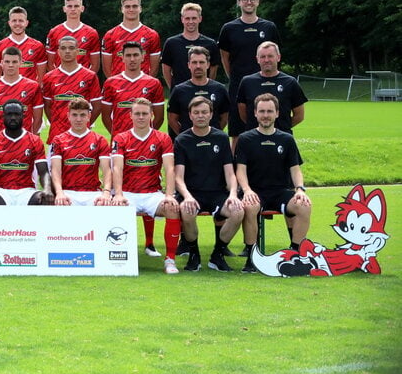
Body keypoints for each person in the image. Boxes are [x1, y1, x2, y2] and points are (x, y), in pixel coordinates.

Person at [235, 93, 311, 273]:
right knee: (250, 206)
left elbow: (295, 170)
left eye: (270, 111)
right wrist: (246, 190)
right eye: (262, 111)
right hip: (254, 191)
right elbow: (240, 170)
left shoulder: (286, 139)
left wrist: (300, 190)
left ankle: (295, 254)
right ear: (255, 113)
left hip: (280, 192)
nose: (265, 115)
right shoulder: (245, 139)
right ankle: (252, 257)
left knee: (304, 206)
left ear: (277, 113)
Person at [110, 98, 182, 274]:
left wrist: (169, 195)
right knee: (114, 208)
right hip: (128, 192)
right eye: (137, 113)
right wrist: (118, 194)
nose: (141, 117)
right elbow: (117, 168)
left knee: (173, 209)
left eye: (144, 113)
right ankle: (117, 259)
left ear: (151, 115)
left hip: (152, 193)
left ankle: (170, 260)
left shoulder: (162, 138)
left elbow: (169, 167)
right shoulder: (121, 138)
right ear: (130, 115)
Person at [173, 96, 243, 272]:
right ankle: (193, 254)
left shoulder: (221, 138)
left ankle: (217, 255)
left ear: (211, 114)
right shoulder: (182, 140)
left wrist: (233, 194)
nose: (200, 116)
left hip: (217, 193)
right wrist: (187, 196)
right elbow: (178, 177)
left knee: (238, 211)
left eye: (204, 112)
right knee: (186, 211)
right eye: (196, 112)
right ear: (190, 115)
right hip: (192, 193)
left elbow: (230, 172)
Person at [218, 0, 280, 143]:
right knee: (238, 131)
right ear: (239, 2)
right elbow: (225, 57)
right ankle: (238, 166)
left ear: (258, 1)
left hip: (266, 84)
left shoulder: (269, 27)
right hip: (239, 85)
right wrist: (234, 77)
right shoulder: (229, 28)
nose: (249, 2)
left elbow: (275, 56)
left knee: (268, 127)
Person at [0, 100, 52, 205]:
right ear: (3, 116)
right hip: (0, 191)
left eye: (16, 114)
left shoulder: (35, 140)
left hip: (27, 191)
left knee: (45, 200)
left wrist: (47, 189)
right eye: (9, 114)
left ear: (23, 116)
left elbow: (44, 172)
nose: (13, 117)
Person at [50, 98, 112, 206]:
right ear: (68, 116)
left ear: (89, 116)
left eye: (82, 115)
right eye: (74, 115)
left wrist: (106, 192)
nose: (78, 119)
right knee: (59, 203)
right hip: (67, 192)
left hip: (92, 193)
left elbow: (107, 170)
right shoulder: (58, 140)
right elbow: (55, 170)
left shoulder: (99, 140)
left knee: (106, 204)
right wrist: (59, 193)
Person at [236, 42, 307, 135]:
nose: (266, 60)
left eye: (270, 56)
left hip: (281, 139)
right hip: (253, 139)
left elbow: (299, 115)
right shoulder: (247, 82)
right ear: (257, 59)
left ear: (278, 57)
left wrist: (281, 128)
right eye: (263, 57)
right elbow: (243, 114)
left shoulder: (290, 82)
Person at [42, 35, 101, 144]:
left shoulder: (90, 76)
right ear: (58, 51)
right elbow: (47, 106)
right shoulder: (49, 77)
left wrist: (84, 123)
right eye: (63, 48)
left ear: (77, 51)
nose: (67, 51)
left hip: (82, 136)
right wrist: (57, 123)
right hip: (56, 136)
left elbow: (97, 106)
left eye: (71, 48)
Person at [101, 41, 164, 137]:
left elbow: (159, 117)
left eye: (135, 55)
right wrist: (118, 136)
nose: (132, 59)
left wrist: (146, 135)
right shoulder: (111, 82)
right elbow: (105, 117)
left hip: (145, 142)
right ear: (122, 58)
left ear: (142, 57)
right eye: (128, 55)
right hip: (120, 142)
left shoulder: (154, 83)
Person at [167, 46, 231, 137]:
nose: (198, 66)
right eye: (194, 62)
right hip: (188, 143)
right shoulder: (179, 90)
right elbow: (172, 119)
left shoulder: (220, 89)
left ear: (208, 64)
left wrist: (213, 134)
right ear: (189, 65)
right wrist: (185, 136)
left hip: (213, 141)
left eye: (201, 62)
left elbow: (225, 117)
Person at [0, 46, 43, 135]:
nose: (11, 65)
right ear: (2, 63)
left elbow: (38, 119)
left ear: (20, 63)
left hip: (24, 142)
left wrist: (30, 138)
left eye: (14, 62)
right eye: (7, 62)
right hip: (0, 143)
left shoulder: (33, 86)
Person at [160, 3, 219, 88]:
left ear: (200, 19)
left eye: (194, 18)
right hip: (180, 93)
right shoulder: (171, 43)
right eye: (187, 18)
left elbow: (213, 69)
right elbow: (166, 69)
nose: (191, 22)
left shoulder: (210, 43)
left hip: (203, 93)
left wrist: (207, 87)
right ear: (182, 19)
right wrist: (174, 89)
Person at [102, 0, 161, 78]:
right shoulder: (110, 35)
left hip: (143, 87)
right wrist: (115, 84)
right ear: (122, 9)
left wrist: (146, 84)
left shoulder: (152, 35)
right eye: (127, 7)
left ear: (140, 9)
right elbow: (106, 68)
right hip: (119, 87)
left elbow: (154, 68)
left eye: (134, 6)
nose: (131, 9)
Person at [45, 0, 100, 73]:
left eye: (76, 6)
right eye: (69, 6)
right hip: (60, 82)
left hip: (82, 82)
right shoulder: (54, 32)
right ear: (64, 9)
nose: (73, 9)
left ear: (82, 8)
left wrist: (85, 80)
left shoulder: (91, 33)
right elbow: (50, 63)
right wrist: (58, 79)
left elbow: (95, 65)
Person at [0, 6, 47, 82]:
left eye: (21, 21)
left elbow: (41, 79)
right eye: (14, 20)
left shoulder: (37, 46)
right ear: (9, 23)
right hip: (7, 92)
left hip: (29, 92)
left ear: (26, 23)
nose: (17, 24)